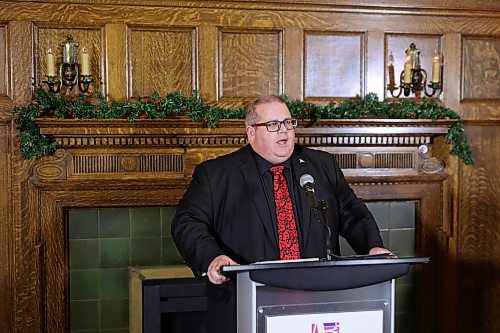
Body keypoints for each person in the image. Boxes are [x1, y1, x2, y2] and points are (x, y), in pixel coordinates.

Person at [171, 95, 391, 333]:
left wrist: (372, 247)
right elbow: (187, 221)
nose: (284, 132)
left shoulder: (321, 165)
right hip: (245, 302)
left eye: (288, 123)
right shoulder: (216, 174)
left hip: (317, 303)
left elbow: (351, 211)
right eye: (273, 125)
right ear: (251, 132)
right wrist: (212, 257)